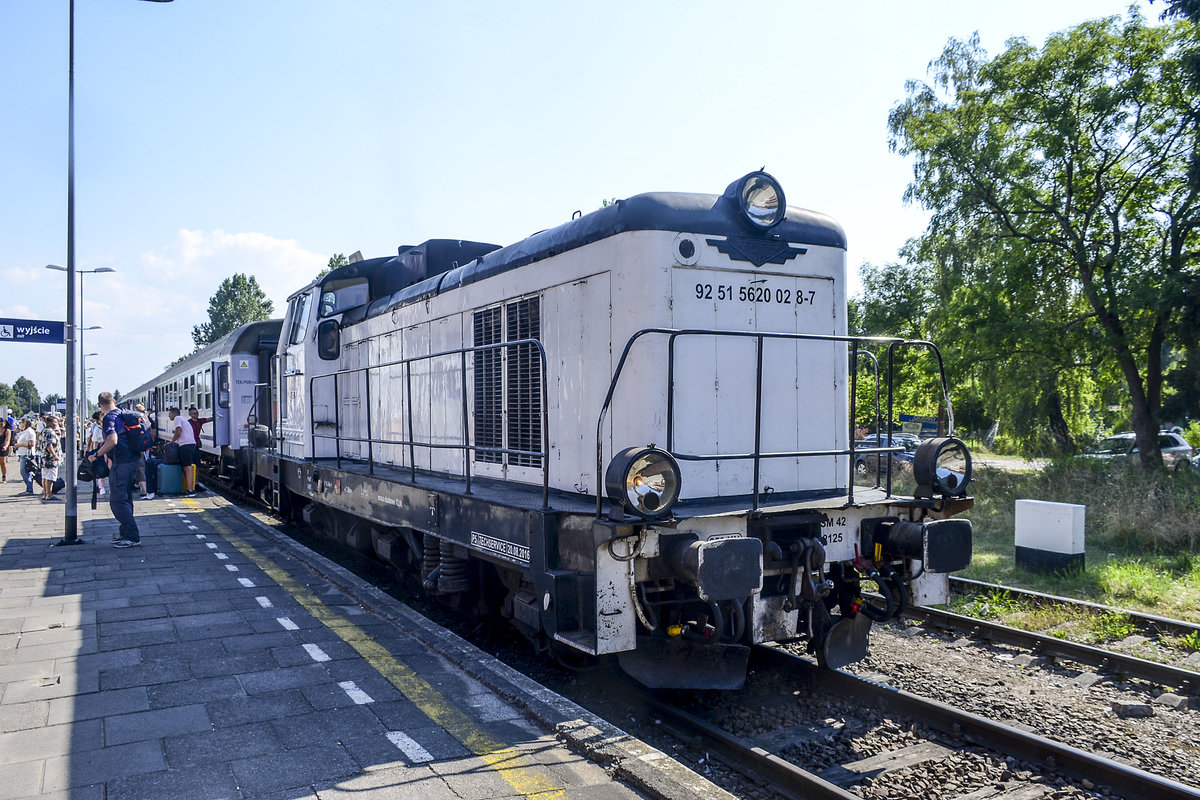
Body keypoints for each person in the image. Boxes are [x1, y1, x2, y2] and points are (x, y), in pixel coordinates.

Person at [90, 392, 141, 547]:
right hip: (133, 461)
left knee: (117, 501)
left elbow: (112, 440)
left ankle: (132, 536)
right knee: (126, 498)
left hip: (122, 463)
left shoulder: (109, 418)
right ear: (113, 401)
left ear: (100, 405)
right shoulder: (123, 414)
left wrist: (96, 454)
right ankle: (124, 533)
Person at [170, 406, 199, 496]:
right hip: (189, 444)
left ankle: (190, 490)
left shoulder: (177, 418)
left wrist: (172, 442)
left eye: (170, 414)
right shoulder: (183, 419)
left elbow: (178, 431)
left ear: (174, 413)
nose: (169, 416)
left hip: (186, 444)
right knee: (186, 466)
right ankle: (188, 488)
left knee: (187, 467)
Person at [185, 406, 210, 493]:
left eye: (197, 413)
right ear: (190, 414)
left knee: (197, 466)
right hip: (189, 446)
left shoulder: (199, 421)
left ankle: (196, 483)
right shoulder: (188, 423)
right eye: (194, 414)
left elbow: (207, 419)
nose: (196, 415)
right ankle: (189, 484)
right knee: (189, 466)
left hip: (196, 446)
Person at [38, 416, 62, 502]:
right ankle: (49, 494)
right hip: (50, 459)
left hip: (44, 458)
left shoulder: (44, 431)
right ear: (50, 423)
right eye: (55, 422)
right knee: (50, 477)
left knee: (44, 476)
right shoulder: (50, 432)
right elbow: (49, 445)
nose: (56, 424)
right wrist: (55, 455)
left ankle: (45, 494)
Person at [134, 403, 154, 499]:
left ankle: (145, 491)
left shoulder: (138, 419)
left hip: (140, 446)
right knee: (145, 466)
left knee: (141, 468)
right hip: (146, 445)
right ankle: (146, 489)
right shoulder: (146, 418)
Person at [86, 410, 108, 495]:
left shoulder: (98, 429)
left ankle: (102, 488)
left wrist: (95, 453)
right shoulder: (101, 428)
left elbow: (94, 442)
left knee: (101, 470)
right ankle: (103, 487)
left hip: (101, 451)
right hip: (106, 451)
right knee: (105, 469)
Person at [14, 419, 36, 494]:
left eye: (20, 423)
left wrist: (19, 445)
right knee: (27, 472)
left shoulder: (29, 432)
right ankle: (29, 488)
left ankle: (29, 488)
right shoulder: (24, 432)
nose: (19, 424)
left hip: (26, 454)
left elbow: (31, 444)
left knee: (23, 471)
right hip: (22, 453)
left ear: (24, 423)